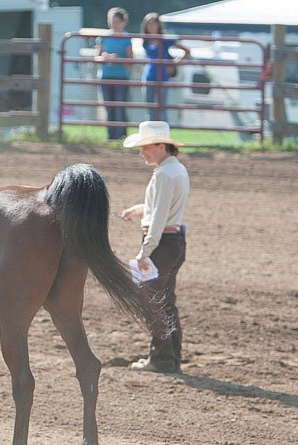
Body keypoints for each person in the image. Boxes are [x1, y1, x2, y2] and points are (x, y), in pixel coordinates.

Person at [120, 121, 189, 374]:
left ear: (162, 146)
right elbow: (162, 209)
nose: (142, 153)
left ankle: (160, 359)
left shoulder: (163, 174)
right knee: (166, 301)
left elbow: (159, 218)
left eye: (146, 147)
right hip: (174, 242)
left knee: (153, 303)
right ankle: (170, 358)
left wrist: (145, 251)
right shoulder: (176, 170)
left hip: (161, 244)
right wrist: (139, 210)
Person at [140, 12, 190, 122]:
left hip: (162, 77)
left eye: (153, 24)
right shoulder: (145, 41)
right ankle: (152, 134)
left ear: (158, 25)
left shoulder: (165, 40)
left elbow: (186, 51)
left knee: (161, 108)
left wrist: (174, 64)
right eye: (148, 24)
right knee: (149, 108)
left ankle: (163, 134)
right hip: (148, 76)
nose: (151, 27)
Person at [95, 7, 132, 140]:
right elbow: (97, 58)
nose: (113, 24)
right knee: (109, 107)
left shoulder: (126, 39)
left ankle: (121, 136)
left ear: (123, 22)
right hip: (105, 76)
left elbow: (130, 62)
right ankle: (111, 137)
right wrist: (105, 57)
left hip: (121, 77)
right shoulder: (103, 38)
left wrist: (119, 59)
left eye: (116, 21)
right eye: (111, 21)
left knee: (119, 107)